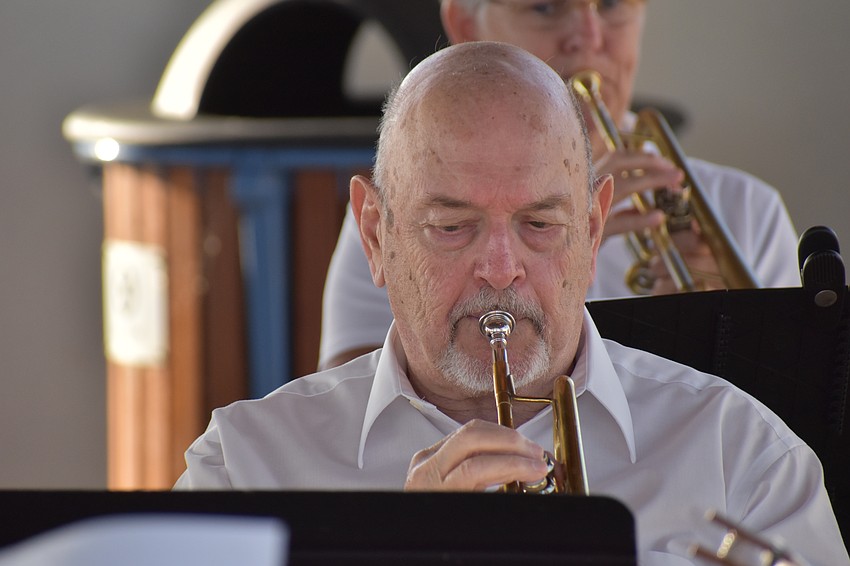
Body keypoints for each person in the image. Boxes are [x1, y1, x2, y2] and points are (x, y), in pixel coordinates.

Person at [176, 42, 848, 565]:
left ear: (591, 231)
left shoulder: (744, 457)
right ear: (376, 235)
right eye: (452, 226)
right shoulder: (243, 468)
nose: (501, 270)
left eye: (539, 225)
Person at [318, 0, 801, 370]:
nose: (588, 38)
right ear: (466, 25)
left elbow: (787, 426)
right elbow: (356, 415)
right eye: (545, 7)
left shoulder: (746, 211)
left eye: (611, 5)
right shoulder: (412, 212)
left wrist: (706, 330)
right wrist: (556, 248)